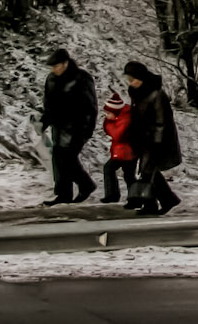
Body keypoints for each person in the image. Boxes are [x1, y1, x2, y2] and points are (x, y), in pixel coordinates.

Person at [39, 49, 98, 206]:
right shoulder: (51, 79)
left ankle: (85, 185)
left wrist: (87, 128)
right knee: (59, 159)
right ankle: (65, 194)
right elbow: (49, 106)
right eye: (52, 67)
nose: (54, 70)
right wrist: (43, 123)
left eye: (56, 66)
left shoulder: (81, 78)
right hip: (58, 126)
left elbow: (90, 106)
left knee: (66, 158)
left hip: (77, 126)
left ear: (65, 63)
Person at [123, 61, 182, 216]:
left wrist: (157, 142)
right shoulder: (137, 93)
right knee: (149, 171)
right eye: (129, 80)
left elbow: (162, 121)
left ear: (142, 77)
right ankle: (166, 200)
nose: (131, 83)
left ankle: (152, 204)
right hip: (142, 138)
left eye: (133, 79)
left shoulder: (156, 94)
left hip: (154, 140)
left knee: (147, 171)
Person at [100, 88, 137, 205]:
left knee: (125, 173)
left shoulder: (125, 118)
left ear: (115, 112)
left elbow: (117, 134)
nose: (106, 116)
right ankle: (130, 198)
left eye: (108, 113)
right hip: (123, 150)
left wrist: (109, 123)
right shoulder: (119, 117)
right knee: (127, 174)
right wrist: (110, 122)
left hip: (128, 151)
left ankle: (119, 196)